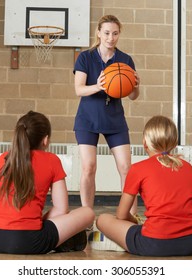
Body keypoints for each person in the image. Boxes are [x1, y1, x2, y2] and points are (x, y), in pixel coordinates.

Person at [0, 111, 94, 254]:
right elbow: (61, 209)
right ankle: (65, 240)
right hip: (26, 241)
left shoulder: (3, 158)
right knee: (87, 212)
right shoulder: (51, 160)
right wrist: (37, 221)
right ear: (45, 140)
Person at [89, 115, 192, 256]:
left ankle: (119, 241)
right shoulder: (187, 167)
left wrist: (135, 221)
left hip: (154, 244)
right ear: (174, 143)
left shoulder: (138, 169)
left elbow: (121, 215)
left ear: (145, 143)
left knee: (103, 219)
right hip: (191, 244)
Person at [73, 14, 141, 217]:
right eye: (107, 33)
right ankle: (87, 215)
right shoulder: (85, 57)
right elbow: (79, 89)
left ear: (119, 34)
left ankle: (131, 216)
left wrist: (136, 85)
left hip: (115, 119)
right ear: (98, 33)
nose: (111, 38)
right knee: (88, 167)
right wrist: (99, 86)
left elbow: (133, 96)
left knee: (126, 168)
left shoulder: (125, 60)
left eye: (115, 33)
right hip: (88, 119)